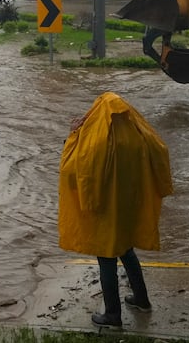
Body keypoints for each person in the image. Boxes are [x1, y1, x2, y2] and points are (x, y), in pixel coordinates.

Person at [58, 92, 174, 329]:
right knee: (127, 252)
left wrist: (74, 134)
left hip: (104, 211)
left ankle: (112, 315)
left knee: (107, 260)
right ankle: (141, 299)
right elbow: (160, 152)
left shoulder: (95, 142)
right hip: (127, 208)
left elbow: (72, 170)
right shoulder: (138, 136)